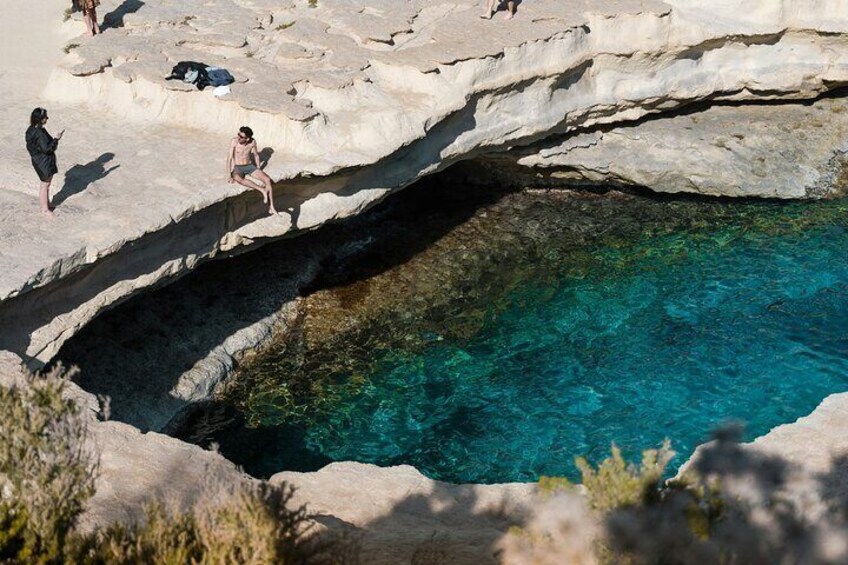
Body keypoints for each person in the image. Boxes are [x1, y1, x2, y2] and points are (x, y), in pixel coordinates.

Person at [227, 126, 279, 215]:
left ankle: (272, 207)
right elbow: (229, 159)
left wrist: (258, 167)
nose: (239, 137)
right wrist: (229, 175)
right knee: (237, 178)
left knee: (267, 179)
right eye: (238, 135)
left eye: (241, 137)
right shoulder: (234, 142)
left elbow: (256, 155)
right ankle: (261, 190)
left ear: (247, 138)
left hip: (249, 166)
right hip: (238, 167)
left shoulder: (252, 142)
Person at [25, 108, 64, 215]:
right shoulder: (39, 132)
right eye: (45, 117)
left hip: (37, 160)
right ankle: (45, 209)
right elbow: (47, 149)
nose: (47, 118)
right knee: (45, 185)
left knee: (46, 184)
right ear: (40, 119)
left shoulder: (31, 129)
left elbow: (32, 146)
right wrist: (57, 139)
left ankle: (46, 204)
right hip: (43, 162)